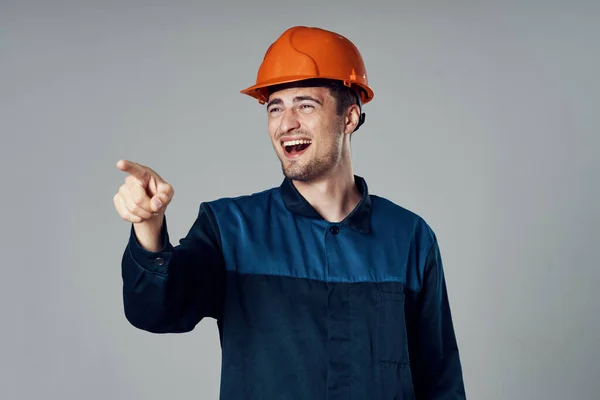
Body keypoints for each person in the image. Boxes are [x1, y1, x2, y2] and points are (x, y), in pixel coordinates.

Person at [114, 26, 466, 399]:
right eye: (275, 108)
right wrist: (148, 227)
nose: (286, 123)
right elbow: (157, 311)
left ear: (349, 118)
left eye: (305, 105)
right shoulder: (231, 230)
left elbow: (439, 380)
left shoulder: (409, 237)